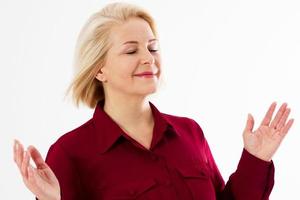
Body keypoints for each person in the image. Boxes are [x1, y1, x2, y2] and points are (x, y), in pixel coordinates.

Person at [13, 2, 294, 200]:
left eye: (152, 47)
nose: (148, 58)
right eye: (130, 51)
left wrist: (256, 160)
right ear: (99, 69)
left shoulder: (190, 133)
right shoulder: (70, 153)